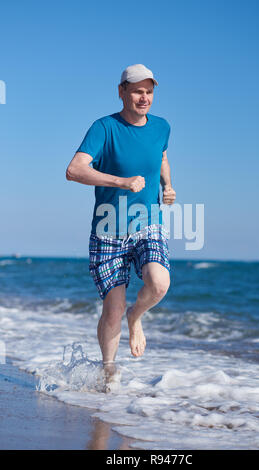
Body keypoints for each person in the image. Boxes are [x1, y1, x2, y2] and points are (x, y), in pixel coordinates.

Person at [66, 64, 176, 388]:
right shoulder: (103, 128)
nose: (144, 98)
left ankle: (136, 316)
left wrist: (168, 186)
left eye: (149, 92)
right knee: (112, 308)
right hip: (108, 229)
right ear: (122, 92)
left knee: (159, 283)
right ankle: (109, 371)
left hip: (147, 222)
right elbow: (74, 170)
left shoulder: (162, 127)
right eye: (138, 91)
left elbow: (163, 156)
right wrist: (121, 182)